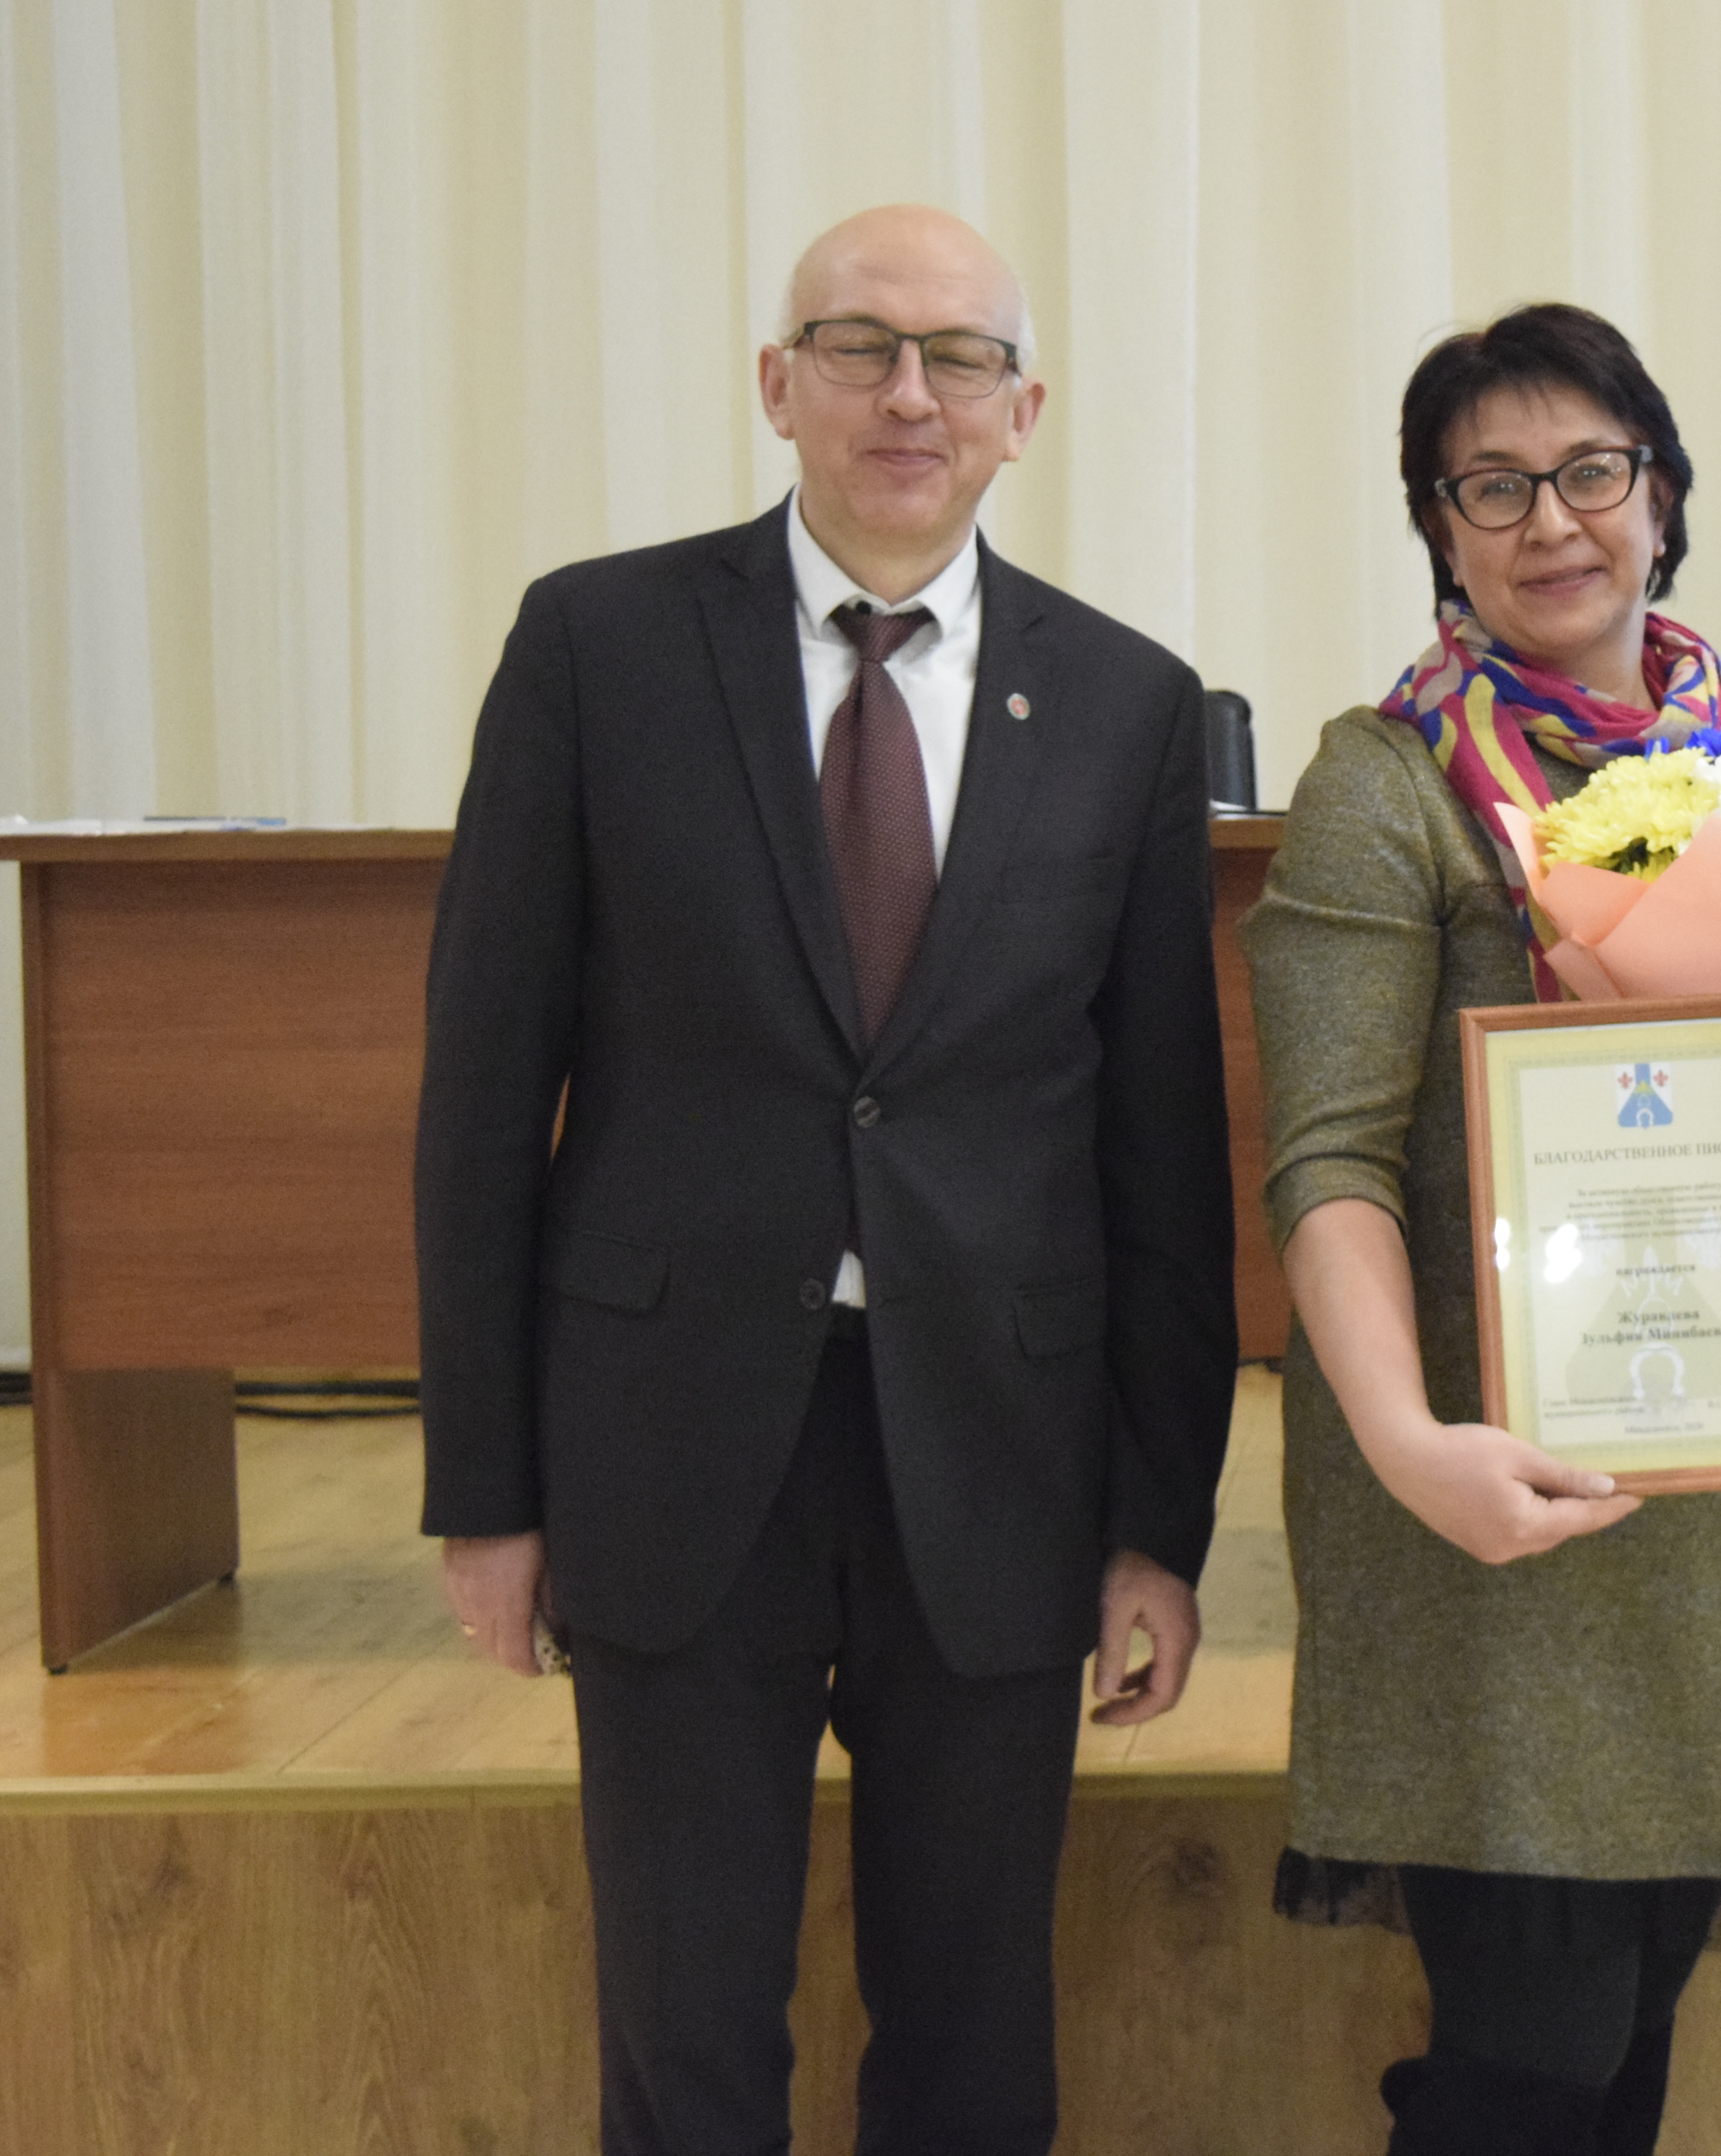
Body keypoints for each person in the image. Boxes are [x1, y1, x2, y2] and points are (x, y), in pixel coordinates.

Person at [415, 204, 1238, 2156]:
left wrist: (1160, 1522)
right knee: (685, 2033)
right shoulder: (597, 647)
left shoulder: (1124, 702)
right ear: (776, 384)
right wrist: (486, 1492)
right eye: (860, 344)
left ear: (1026, 409)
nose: (908, 394)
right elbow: (483, 1098)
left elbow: (1160, 1154)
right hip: (675, 1443)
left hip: (999, 1457)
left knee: (971, 2036)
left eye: (960, 356)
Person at [1243, 303, 1721, 2155]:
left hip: (1705, 1490)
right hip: (1477, 1494)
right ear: (1437, 529)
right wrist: (1404, 1444)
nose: (1551, 522)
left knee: (1626, 2050)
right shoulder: (1387, 783)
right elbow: (1328, 1163)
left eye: (1590, 472)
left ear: (1661, 498)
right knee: (1530, 2058)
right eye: (1493, 487)